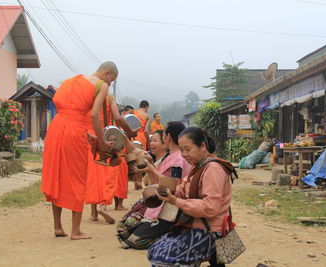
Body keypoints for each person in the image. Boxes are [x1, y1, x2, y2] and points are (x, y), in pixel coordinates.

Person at [41, 61, 118, 240]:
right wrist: (101, 140)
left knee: (57, 177)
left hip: (56, 128)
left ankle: (58, 227)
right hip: (74, 131)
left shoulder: (70, 81)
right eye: (112, 80)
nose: (110, 83)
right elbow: (93, 116)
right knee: (77, 177)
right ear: (107, 73)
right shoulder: (102, 85)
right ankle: (76, 230)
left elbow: (64, 105)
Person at [143, 127, 238, 267]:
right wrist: (163, 190)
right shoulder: (198, 166)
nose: (184, 154)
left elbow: (210, 207)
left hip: (211, 232)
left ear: (203, 146)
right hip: (196, 226)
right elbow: (182, 189)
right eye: (181, 150)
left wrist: (176, 201)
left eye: (188, 149)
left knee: (161, 257)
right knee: (154, 249)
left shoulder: (213, 169)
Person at [116, 122, 191, 250]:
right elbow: (157, 182)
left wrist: (152, 169)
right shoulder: (170, 156)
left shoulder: (178, 159)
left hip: (172, 208)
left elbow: (173, 185)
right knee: (124, 235)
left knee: (135, 240)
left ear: (168, 137)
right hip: (160, 203)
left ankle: (172, 238)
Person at [85, 93, 138, 223]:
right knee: (108, 174)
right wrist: (129, 131)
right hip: (107, 137)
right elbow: (118, 118)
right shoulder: (109, 96)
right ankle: (102, 205)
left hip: (91, 138)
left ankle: (93, 213)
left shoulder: (88, 97)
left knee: (94, 176)